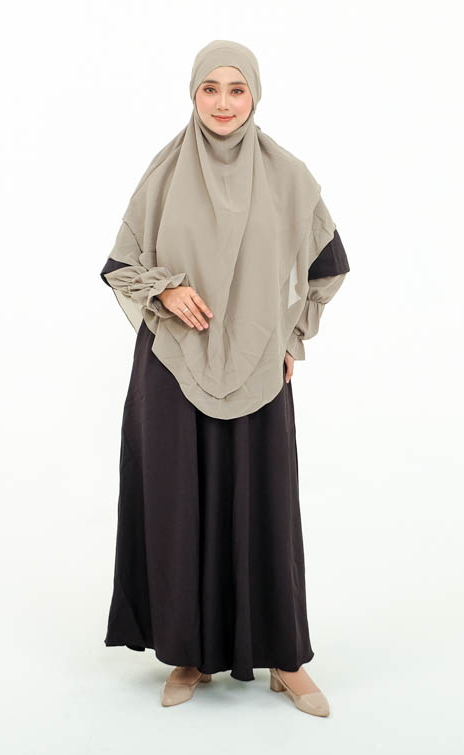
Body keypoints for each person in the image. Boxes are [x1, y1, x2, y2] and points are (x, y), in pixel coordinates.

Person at [99, 40, 350, 717]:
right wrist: (166, 289)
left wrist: (291, 337)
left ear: (254, 95)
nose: (222, 102)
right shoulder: (165, 172)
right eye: (209, 88)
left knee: (263, 503)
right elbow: (120, 264)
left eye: (236, 89)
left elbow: (327, 265)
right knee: (177, 503)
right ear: (193, 94)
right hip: (172, 363)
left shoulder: (288, 176)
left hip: (258, 364)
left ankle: (286, 660)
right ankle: (188, 652)